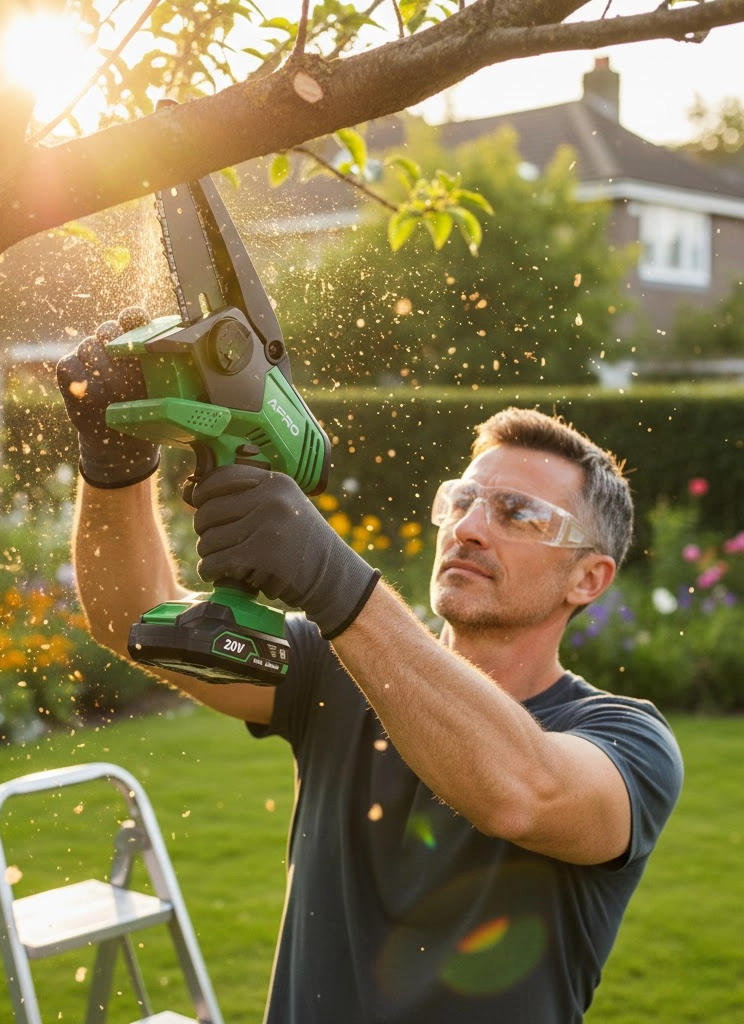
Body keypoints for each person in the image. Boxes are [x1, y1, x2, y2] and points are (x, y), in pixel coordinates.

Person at [56, 314, 684, 1024]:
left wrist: (333, 579)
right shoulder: (336, 669)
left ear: (589, 578)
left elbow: (521, 793)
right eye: (464, 500)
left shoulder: (633, 744)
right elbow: (133, 613)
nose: (470, 527)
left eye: (518, 514)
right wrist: (114, 459)